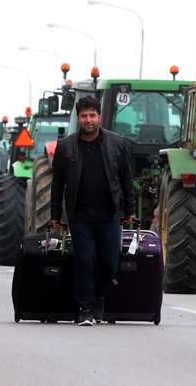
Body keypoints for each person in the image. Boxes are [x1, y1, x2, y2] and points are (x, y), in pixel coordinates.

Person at [50, 96, 135, 326]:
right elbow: (57, 184)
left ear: (99, 117)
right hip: (80, 216)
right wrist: (55, 216)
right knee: (84, 260)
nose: (88, 120)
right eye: (84, 116)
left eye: (92, 115)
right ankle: (85, 308)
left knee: (109, 262)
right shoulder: (66, 147)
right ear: (78, 118)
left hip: (109, 214)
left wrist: (130, 209)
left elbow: (127, 180)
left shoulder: (118, 144)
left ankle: (99, 298)